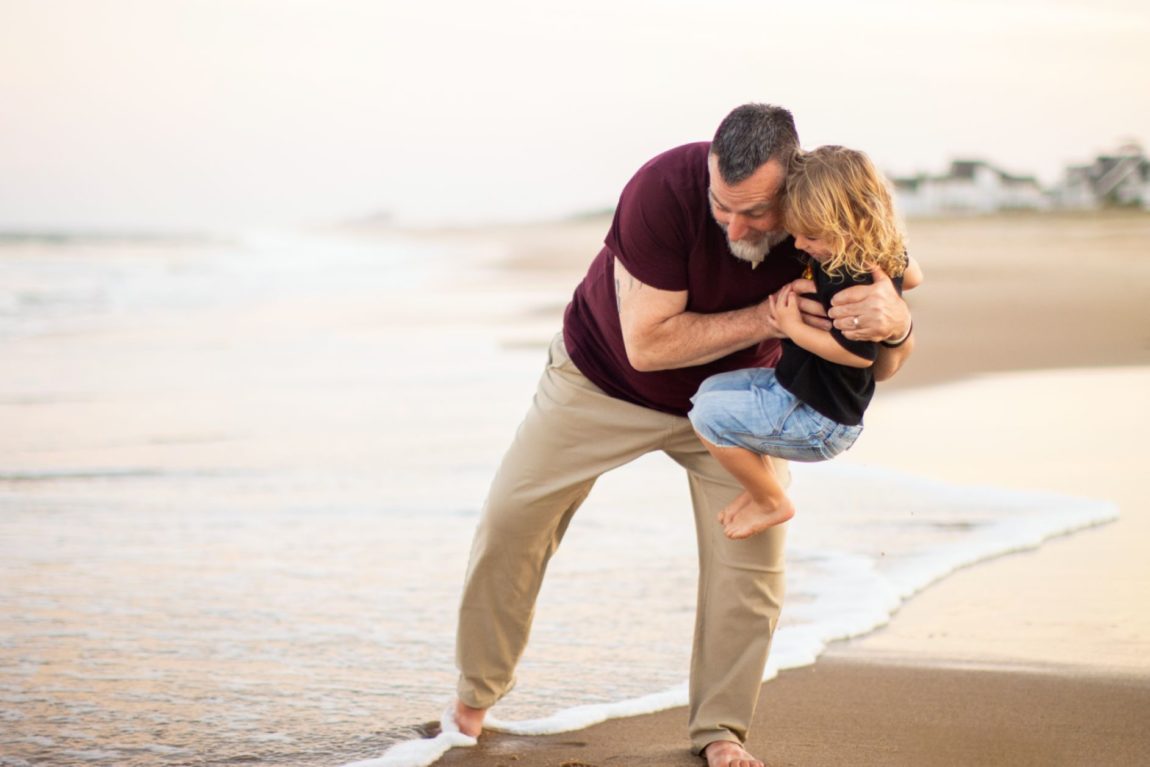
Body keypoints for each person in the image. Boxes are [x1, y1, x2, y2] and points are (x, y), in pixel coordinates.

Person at [450, 104, 916, 767]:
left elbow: (884, 353)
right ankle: (472, 701)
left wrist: (896, 324)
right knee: (512, 516)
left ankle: (721, 731)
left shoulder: (825, 217)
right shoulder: (662, 190)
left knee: (752, 556)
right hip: (602, 377)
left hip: (736, 400)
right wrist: (767, 315)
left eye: (755, 212)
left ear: (795, 186)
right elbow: (647, 345)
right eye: (722, 205)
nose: (735, 225)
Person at [688, 145, 923, 540]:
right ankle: (761, 487)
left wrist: (790, 326)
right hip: (802, 388)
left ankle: (770, 500)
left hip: (822, 421)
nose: (798, 245)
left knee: (707, 418)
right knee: (709, 391)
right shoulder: (870, 249)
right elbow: (913, 275)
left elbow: (858, 356)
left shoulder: (848, 280)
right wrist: (896, 282)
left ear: (852, 225)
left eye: (810, 235)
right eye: (795, 232)